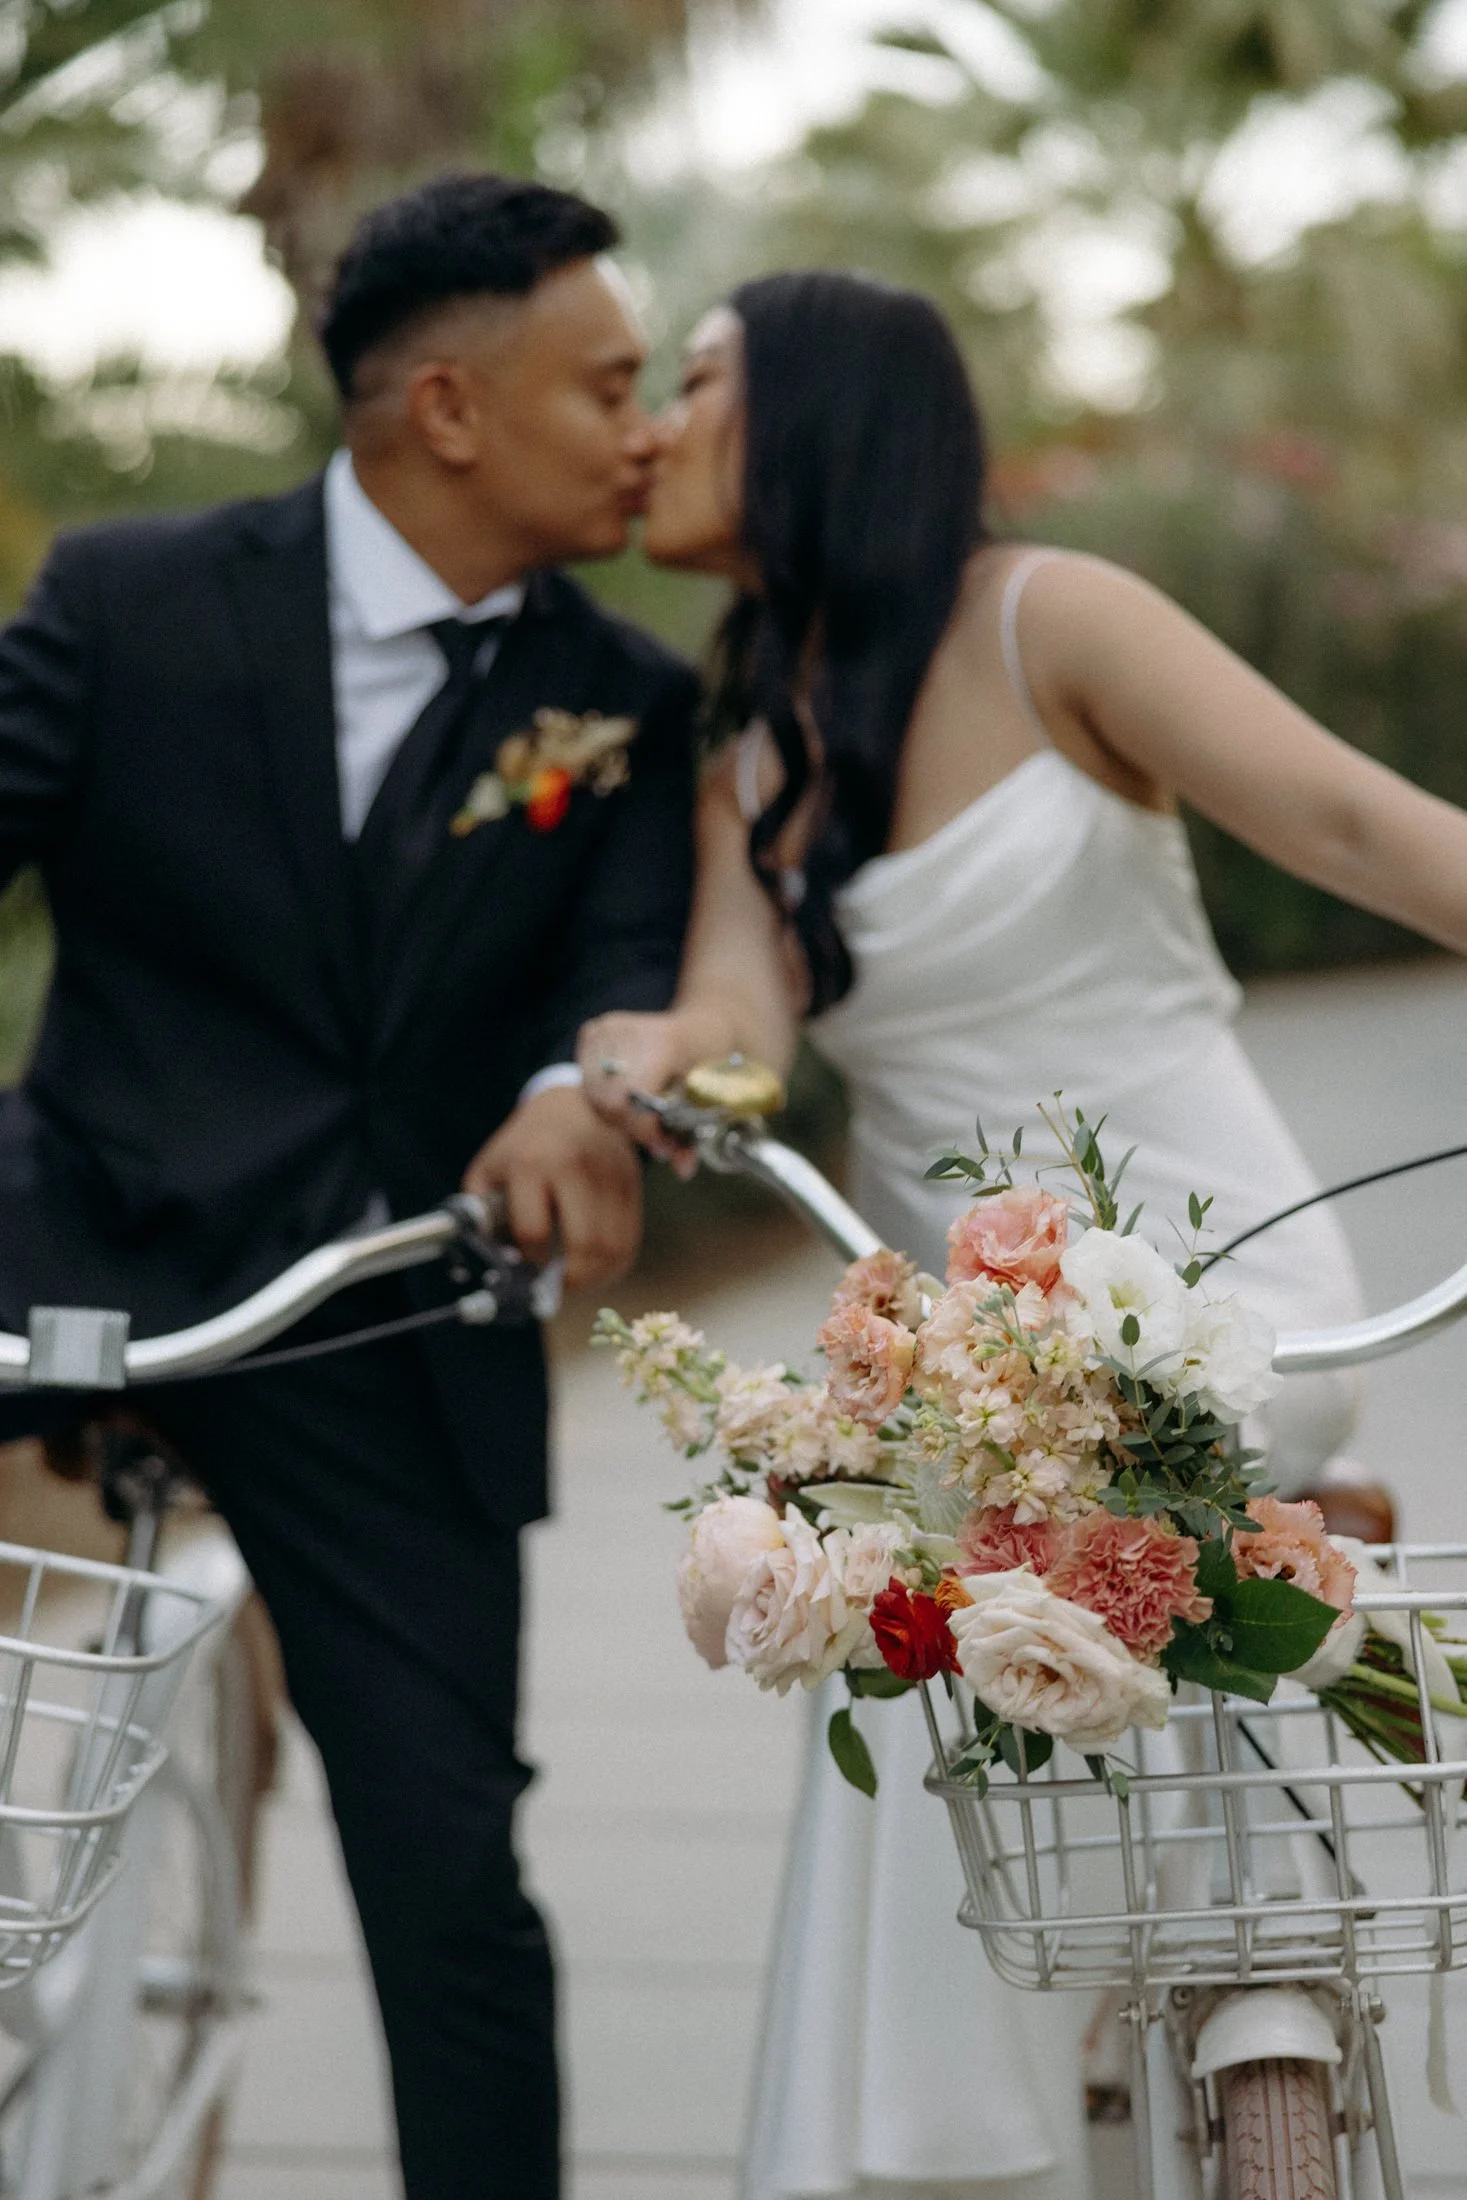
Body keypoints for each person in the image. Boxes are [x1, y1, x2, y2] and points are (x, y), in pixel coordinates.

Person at [575, 270, 1467, 2200]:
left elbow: (1346, 820)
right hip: (967, 1360)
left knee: (967, 1560)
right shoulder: (759, 752)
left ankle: (921, 2161)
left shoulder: (1054, 613)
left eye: (697, 379)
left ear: (819, 408)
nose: (651, 425)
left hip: (1232, 1293)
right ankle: (926, 2142)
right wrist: (658, 1046)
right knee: (888, 1583)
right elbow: (739, 1022)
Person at [0, 172, 700, 2200]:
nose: (643, 427)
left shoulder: (623, 702)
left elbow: (623, 967)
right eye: (608, 385)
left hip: (381, 1314)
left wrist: (581, 1086)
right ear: (451, 409)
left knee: (450, 1868)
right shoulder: (129, 598)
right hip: (83, 1244)